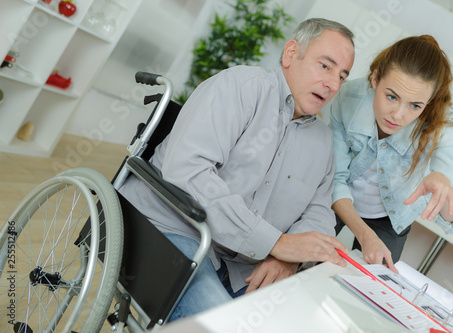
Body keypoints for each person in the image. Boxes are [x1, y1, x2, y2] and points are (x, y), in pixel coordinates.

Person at [119, 18, 355, 320]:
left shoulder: (323, 142)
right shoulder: (240, 87)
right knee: (226, 326)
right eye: (325, 66)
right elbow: (189, 172)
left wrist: (289, 259)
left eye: (342, 76)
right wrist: (277, 243)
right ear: (291, 53)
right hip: (173, 232)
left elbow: (318, 212)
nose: (333, 84)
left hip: (246, 263)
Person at [329, 35, 453, 272]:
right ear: (375, 79)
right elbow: (334, 179)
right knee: (302, 261)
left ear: (429, 102)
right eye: (391, 96)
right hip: (338, 200)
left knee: (371, 286)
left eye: (415, 105)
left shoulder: (441, 127)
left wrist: (444, 186)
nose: (397, 115)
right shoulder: (349, 97)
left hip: (390, 217)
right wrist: (364, 235)